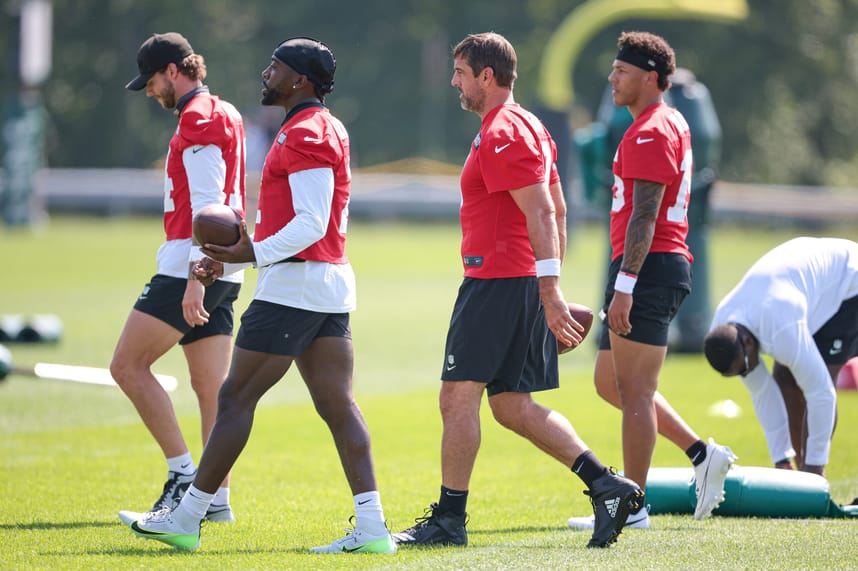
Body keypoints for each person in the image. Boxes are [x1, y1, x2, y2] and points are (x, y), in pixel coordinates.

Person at [124, 37, 396, 555]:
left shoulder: (308, 130)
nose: (265, 74)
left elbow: (311, 222)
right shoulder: (318, 125)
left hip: (296, 286)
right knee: (337, 405)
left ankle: (187, 517)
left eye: (275, 67)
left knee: (234, 399)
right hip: (323, 283)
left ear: (301, 80)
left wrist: (245, 254)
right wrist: (236, 256)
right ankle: (373, 528)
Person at [393, 32, 643, 550]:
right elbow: (558, 209)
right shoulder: (526, 124)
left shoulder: (504, 130)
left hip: (497, 283)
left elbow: (544, 211)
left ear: (487, 76)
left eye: (461, 73)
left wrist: (548, 291)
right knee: (510, 405)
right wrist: (545, 283)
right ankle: (608, 486)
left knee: (456, 398)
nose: (455, 82)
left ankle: (449, 520)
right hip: (516, 282)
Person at [567, 31, 736, 531]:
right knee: (609, 383)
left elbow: (645, 215)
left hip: (649, 267)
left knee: (636, 392)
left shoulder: (651, 130)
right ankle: (701, 454)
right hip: (645, 266)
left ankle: (632, 506)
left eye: (622, 71)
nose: (612, 78)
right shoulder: (663, 121)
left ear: (650, 78)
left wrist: (625, 285)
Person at [112, 32, 246, 525]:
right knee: (210, 387)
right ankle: (216, 501)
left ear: (173, 70)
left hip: (190, 264)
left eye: (150, 81)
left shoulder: (199, 116)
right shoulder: (225, 110)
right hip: (226, 264)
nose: (149, 91)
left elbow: (208, 204)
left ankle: (183, 475)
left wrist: (195, 277)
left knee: (127, 366)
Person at [704, 236, 858, 476]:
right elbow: (763, 393)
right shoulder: (725, 330)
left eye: (745, 368)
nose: (748, 374)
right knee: (785, 379)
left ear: (747, 342)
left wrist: (815, 467)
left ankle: (812, 473)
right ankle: (799, 473)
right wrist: (781, 459)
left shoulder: (781, 328)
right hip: (809, 291)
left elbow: (822, 393)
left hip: (848, 281)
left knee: (822, 375)